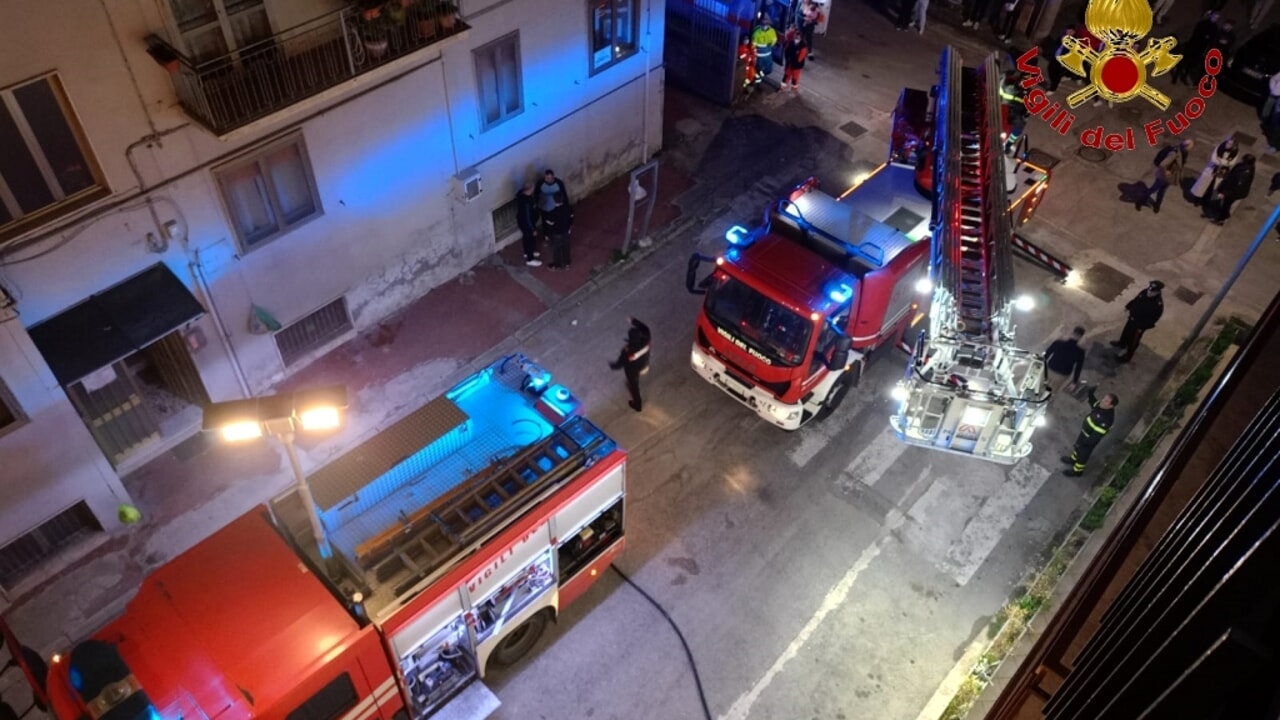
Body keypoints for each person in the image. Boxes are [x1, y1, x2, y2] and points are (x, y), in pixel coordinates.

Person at [1061, 389, 1117, 477]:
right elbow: (1093, 403)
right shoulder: (1100, 406)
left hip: (1088, 441)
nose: (1102, 401)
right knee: (1077, 448)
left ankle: (1077, 471)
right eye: (1104, 398)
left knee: (1082, 456)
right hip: (1084, 434)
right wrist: (1090, 394)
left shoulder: (1107, 419)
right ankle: (1073, 459)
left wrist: (1084, 443)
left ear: (1111, 406)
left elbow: (1096, 436)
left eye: (1106, 401)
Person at [1111, 281, 1165, 363]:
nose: (1149, 292)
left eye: (1152, 291)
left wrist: (1142, 327)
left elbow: (1153, 319)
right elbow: (1136, 300)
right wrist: (1129, 306)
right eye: (1149, 289)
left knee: (1133, 341)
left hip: (1139, 325)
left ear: (1157, 292)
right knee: (1126, 332)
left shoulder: (1157, 304)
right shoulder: (1145, 292)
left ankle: (1127, 356)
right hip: (1132, 318)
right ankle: (1122, 343)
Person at [609, 316, 651, 412]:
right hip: (644, 364)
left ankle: (637, 405)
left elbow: (619, 364)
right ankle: (636, 402)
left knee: (634, 388)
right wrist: (633, 321)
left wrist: (612, 365)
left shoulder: (628, 352)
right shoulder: (647, 339)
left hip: (633, 371)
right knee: (634, 386)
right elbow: (645, 328)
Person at [1138, 139, 1192, 213]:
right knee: (1154, 189)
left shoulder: (1183, 153)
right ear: (1185, 147)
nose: (1190, 150)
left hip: (1170, 178)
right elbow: (1163, 164)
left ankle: (1157, 205)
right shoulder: (1175, 153)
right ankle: (1141, 201)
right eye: (1190, 148)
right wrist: (1166, 172)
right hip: (1163, 176)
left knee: (1162, 191)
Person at [1204, 154, 1256, 225]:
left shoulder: (1246, 172)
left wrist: (1225, 193)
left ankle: (1221, 219)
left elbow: (1238, 186)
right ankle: (1225, 215)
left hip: (1234, 192)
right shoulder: (1243, 166)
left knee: (1226, 205)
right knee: (1226, 203)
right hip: (1230, 187)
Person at [1189, 136, 1239, 206]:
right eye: (1228, 143)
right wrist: (1225, 162)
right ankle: (1196, 200)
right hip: (1212, 169)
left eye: (1230, 144)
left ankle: (1205, 201)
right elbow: (1213, 159)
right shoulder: (1219, 147)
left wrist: (1220, 160)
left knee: (1212, 188)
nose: (1228, 145)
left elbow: (1231, 163)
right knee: (1202, 186)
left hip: (1221, 172)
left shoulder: (1235, 152)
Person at [1173, 11, 1219, 86]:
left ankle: (1184, 76)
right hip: (1193, 44)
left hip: (1201, 48)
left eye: (1216, 18)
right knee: (1184, 60)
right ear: (1210, 16)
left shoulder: (1215, 27)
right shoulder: (1202, 23)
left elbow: (1213, 38)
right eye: (1214, 17)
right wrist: (1205, 36)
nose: (1215, 19)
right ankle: (1176, 75)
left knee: (1192, 63)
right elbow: (1196, 33)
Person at [1044, 326, 1086, 398]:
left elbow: (1046, 355)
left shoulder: (1058, 343)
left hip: (1049, 370)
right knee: (1051, 393)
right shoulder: (1080, 352)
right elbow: (1078, 368)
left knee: (1038, 388)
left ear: (1072, 333)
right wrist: (1074, 381)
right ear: (1080, 337)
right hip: (1061, 375)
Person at [543, 192, 574, 270]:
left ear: (554, 200)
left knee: (557, 249)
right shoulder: (568, 208)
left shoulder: (552, 213)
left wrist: (548, 235)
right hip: (566, 231)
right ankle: (567, 263)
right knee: (566, 247)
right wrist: (570, 226)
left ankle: (557, 265)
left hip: (557, 233)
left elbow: (550, 224)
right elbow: (571, 217)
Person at [514, 180, 541, 267]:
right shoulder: (526, 202)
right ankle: (530, 258)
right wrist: (532, 228)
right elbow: (527, 216)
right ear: (530, 189)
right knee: (529, 239)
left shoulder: (522, 196)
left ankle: (528, 252)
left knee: (526, 238)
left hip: (523, 222)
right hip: (527, 224)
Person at [537, 169, 569, 235]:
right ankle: (546, 235)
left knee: (556, 222)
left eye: (549, 178)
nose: (547, 180)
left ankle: (556, 234)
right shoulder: (540, 183)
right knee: (546, 223)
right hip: (545, 208)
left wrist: (565, 205)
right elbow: (536, 194)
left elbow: (564, 194)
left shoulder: (559, 183)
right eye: (546, 178)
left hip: (555, 208)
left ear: (553, 177)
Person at [1044, 27, 1075, 94]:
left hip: (1062, 60)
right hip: (1055, 57)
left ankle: (1053, 89)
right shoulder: (1061, 36)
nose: (1069, 32)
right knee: (1050, 68)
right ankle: (1054, 82)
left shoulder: (1072, 41)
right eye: (1068, 30)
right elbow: (1055, 44)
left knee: (1057, 74)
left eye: (1071, 31)